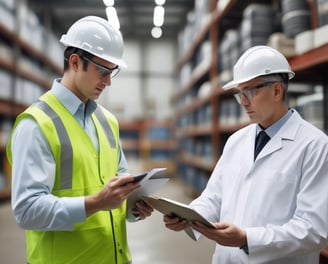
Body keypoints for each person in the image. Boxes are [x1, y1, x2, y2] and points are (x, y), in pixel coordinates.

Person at [6, 16, 153, 264]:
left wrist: (134, 208)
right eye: (102, 71)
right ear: (75, 62)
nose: (108, 82)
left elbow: (119, 193)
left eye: (112, 72)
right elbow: (27, 211)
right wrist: (96, 202)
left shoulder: (108, 121)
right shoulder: (37, 124)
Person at [163, 45, 328, 263]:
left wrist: (247, 239)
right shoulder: (236, 141)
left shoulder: (314, 146)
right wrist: (188, 216)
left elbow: (313, 230)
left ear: (277, 90)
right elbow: (214, 197)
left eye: (250, 91)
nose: (243, 102)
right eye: (239, 94)